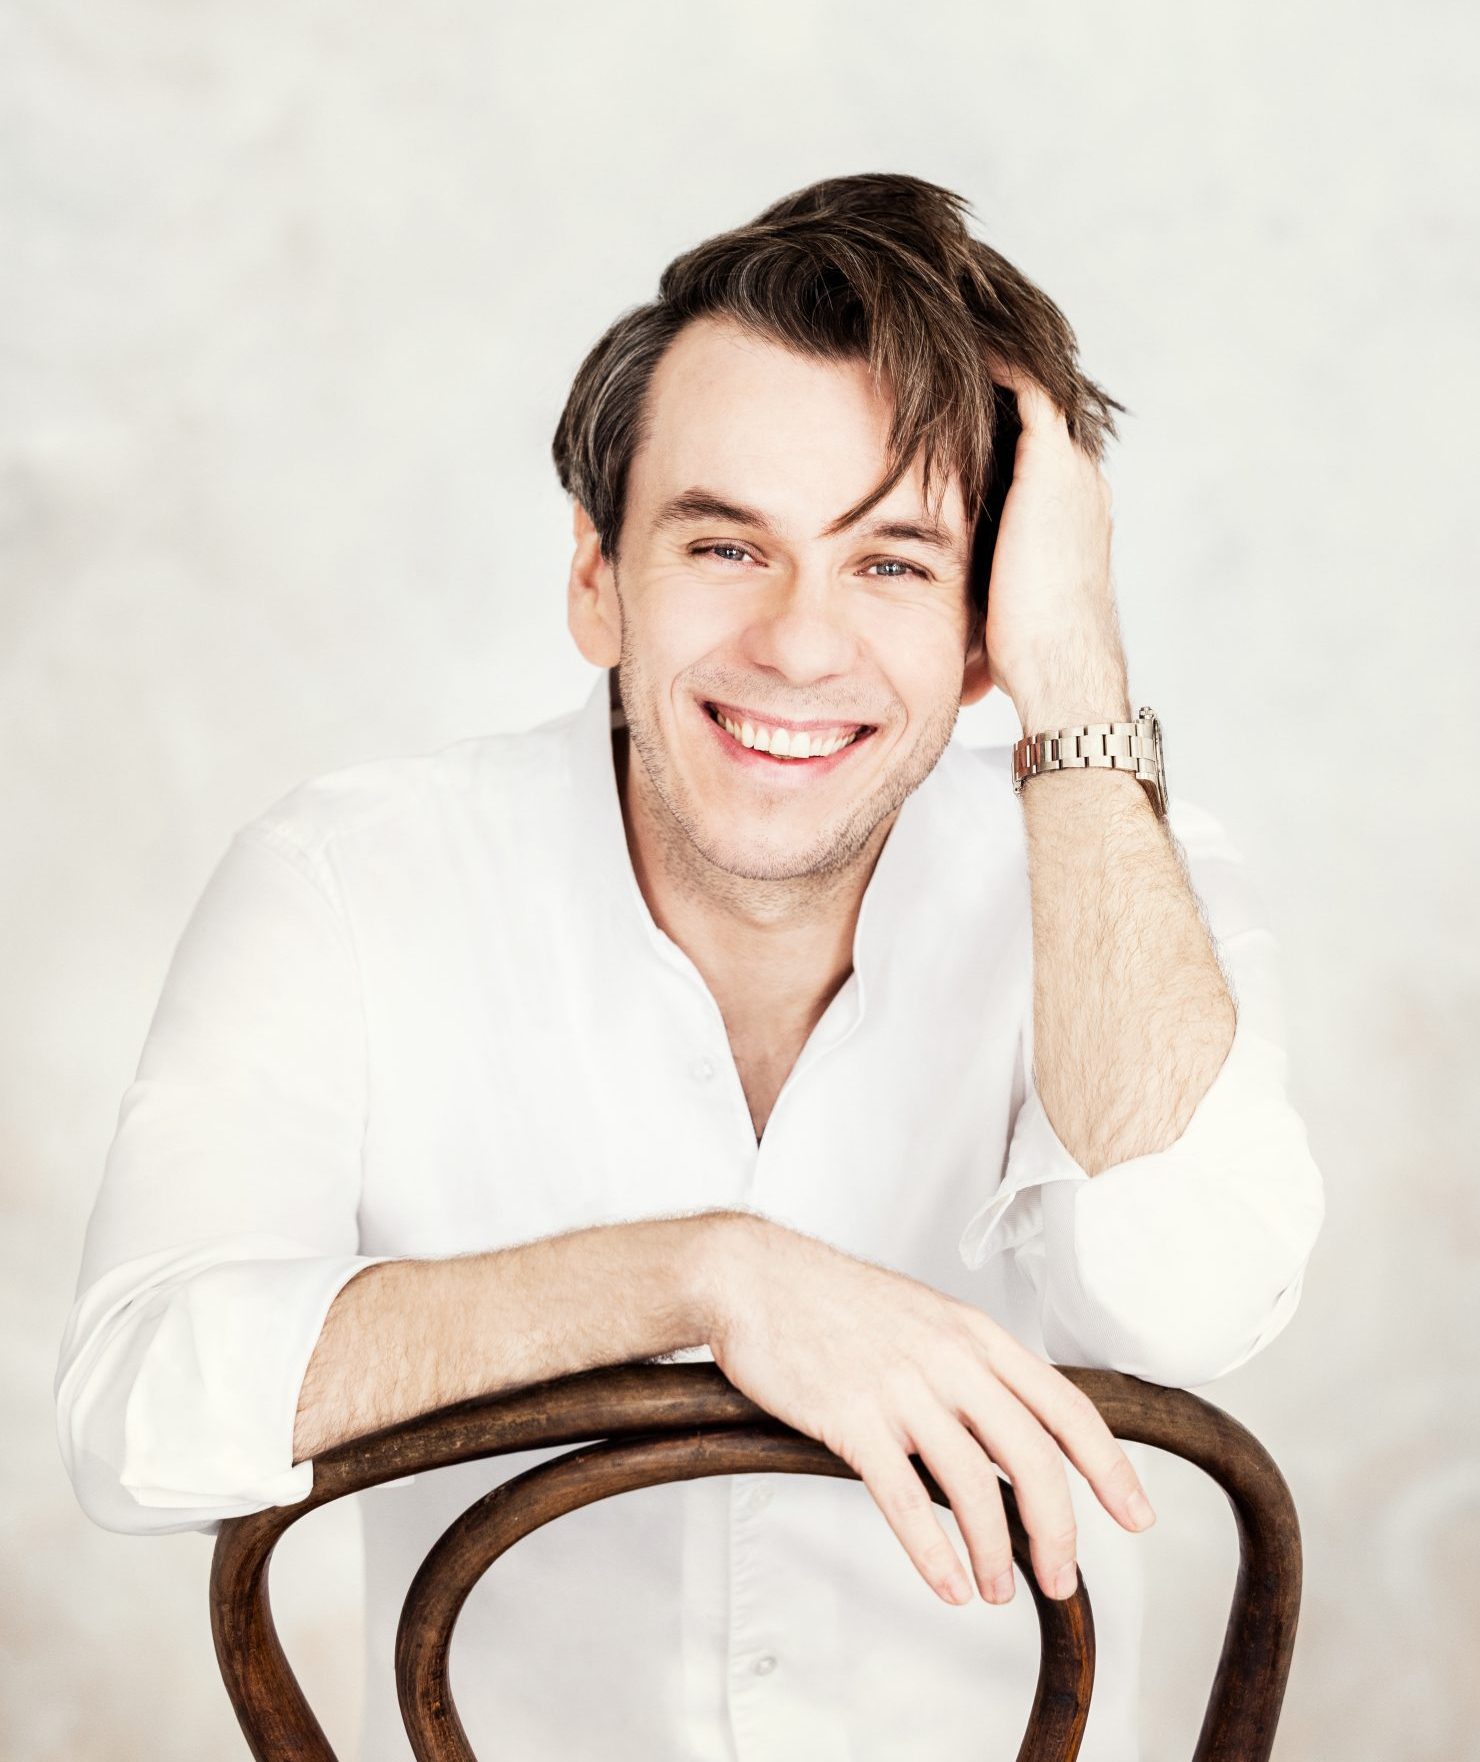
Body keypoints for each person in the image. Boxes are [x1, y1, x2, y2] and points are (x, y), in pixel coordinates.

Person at [54, 172, 1324, 1761]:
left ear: (983, 631)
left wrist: (1075, 672)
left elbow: (1191, 1297)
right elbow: (138, 1414)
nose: (797, 643)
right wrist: (703, 1274)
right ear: (597, 579)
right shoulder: (346, 881)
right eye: (727, 545)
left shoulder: (1129, 871)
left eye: (893, 563)